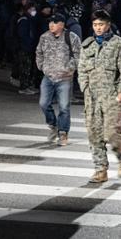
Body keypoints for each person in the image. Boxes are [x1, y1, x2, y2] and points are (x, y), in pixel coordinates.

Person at [78, 9, 121, 183]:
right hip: (91, 97)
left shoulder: (119, 44)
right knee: (94, 133)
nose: (98, 28)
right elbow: (81, 70)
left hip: (111, 95)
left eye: (101, 24)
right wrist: (84, 88)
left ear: (108, 24)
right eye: (95, 25)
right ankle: (100, 170)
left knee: (111, 133)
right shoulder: (87, 45)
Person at [36, 13, 81, 146]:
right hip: (48, 76)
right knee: (43, 103)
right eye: (50, 22)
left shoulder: (71, 37)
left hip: (65, 78)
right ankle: (53, 125)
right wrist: (42, 66)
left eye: (54, 22)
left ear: (62, 24)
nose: (51, 25)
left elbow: (79, 55)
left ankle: (63, 133)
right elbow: (39, 52)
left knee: (64, 107)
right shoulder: (44, 37)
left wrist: (69, 68)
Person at [17, 2, 39, 95]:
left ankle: (28, 86)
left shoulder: (30, 20)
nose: (34, 11)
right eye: (32, 9)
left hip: (30, 47)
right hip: (25, 48)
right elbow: (23, 35)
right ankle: (23, 87)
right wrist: (29, 44)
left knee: (29, 68)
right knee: (25, 68)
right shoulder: (24, 20)